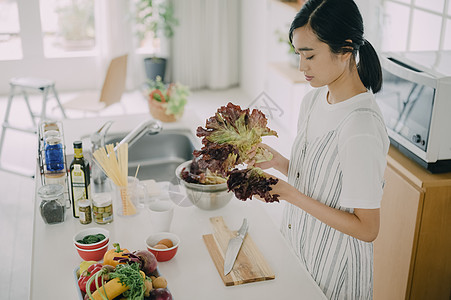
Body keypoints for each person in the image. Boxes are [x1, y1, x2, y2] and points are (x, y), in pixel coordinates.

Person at [251, 0, 389, 298]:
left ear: (346, 50)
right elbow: (324, 180)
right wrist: (278, 161)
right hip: (301, 248)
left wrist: (288, 193)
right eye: (298, 54)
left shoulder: (360, 128)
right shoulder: (314, 101)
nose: (302, 67)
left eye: (310, 56)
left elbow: (367, 229)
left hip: (336, 271)